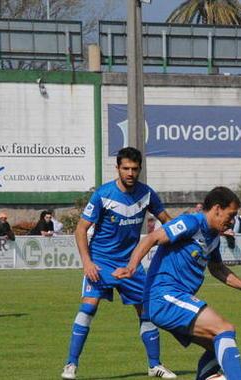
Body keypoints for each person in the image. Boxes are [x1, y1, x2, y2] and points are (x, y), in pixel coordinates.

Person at [113, 186, 241, 380]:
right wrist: (131, 267)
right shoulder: (191, 222)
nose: (232, 221)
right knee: (225, 329)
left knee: (218, 345)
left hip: (174, 299)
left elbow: (218, 269)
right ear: (216, 209)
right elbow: (154, 237)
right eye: (230, 215)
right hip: (163, 296)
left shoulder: (213, 237)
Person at [61, 147, 176, 380]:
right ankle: (70, 365)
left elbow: (167, 222)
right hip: (101, 262)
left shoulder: (147, 194)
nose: (130, 173)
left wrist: (183, 236)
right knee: (89, 306)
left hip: (130, 263)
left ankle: (155, 365)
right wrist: (87, 263)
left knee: (146, 312)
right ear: (118, 168)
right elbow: (81, 228)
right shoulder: (103, 194)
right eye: (126, 168)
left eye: (135, 169)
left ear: (140, 169)